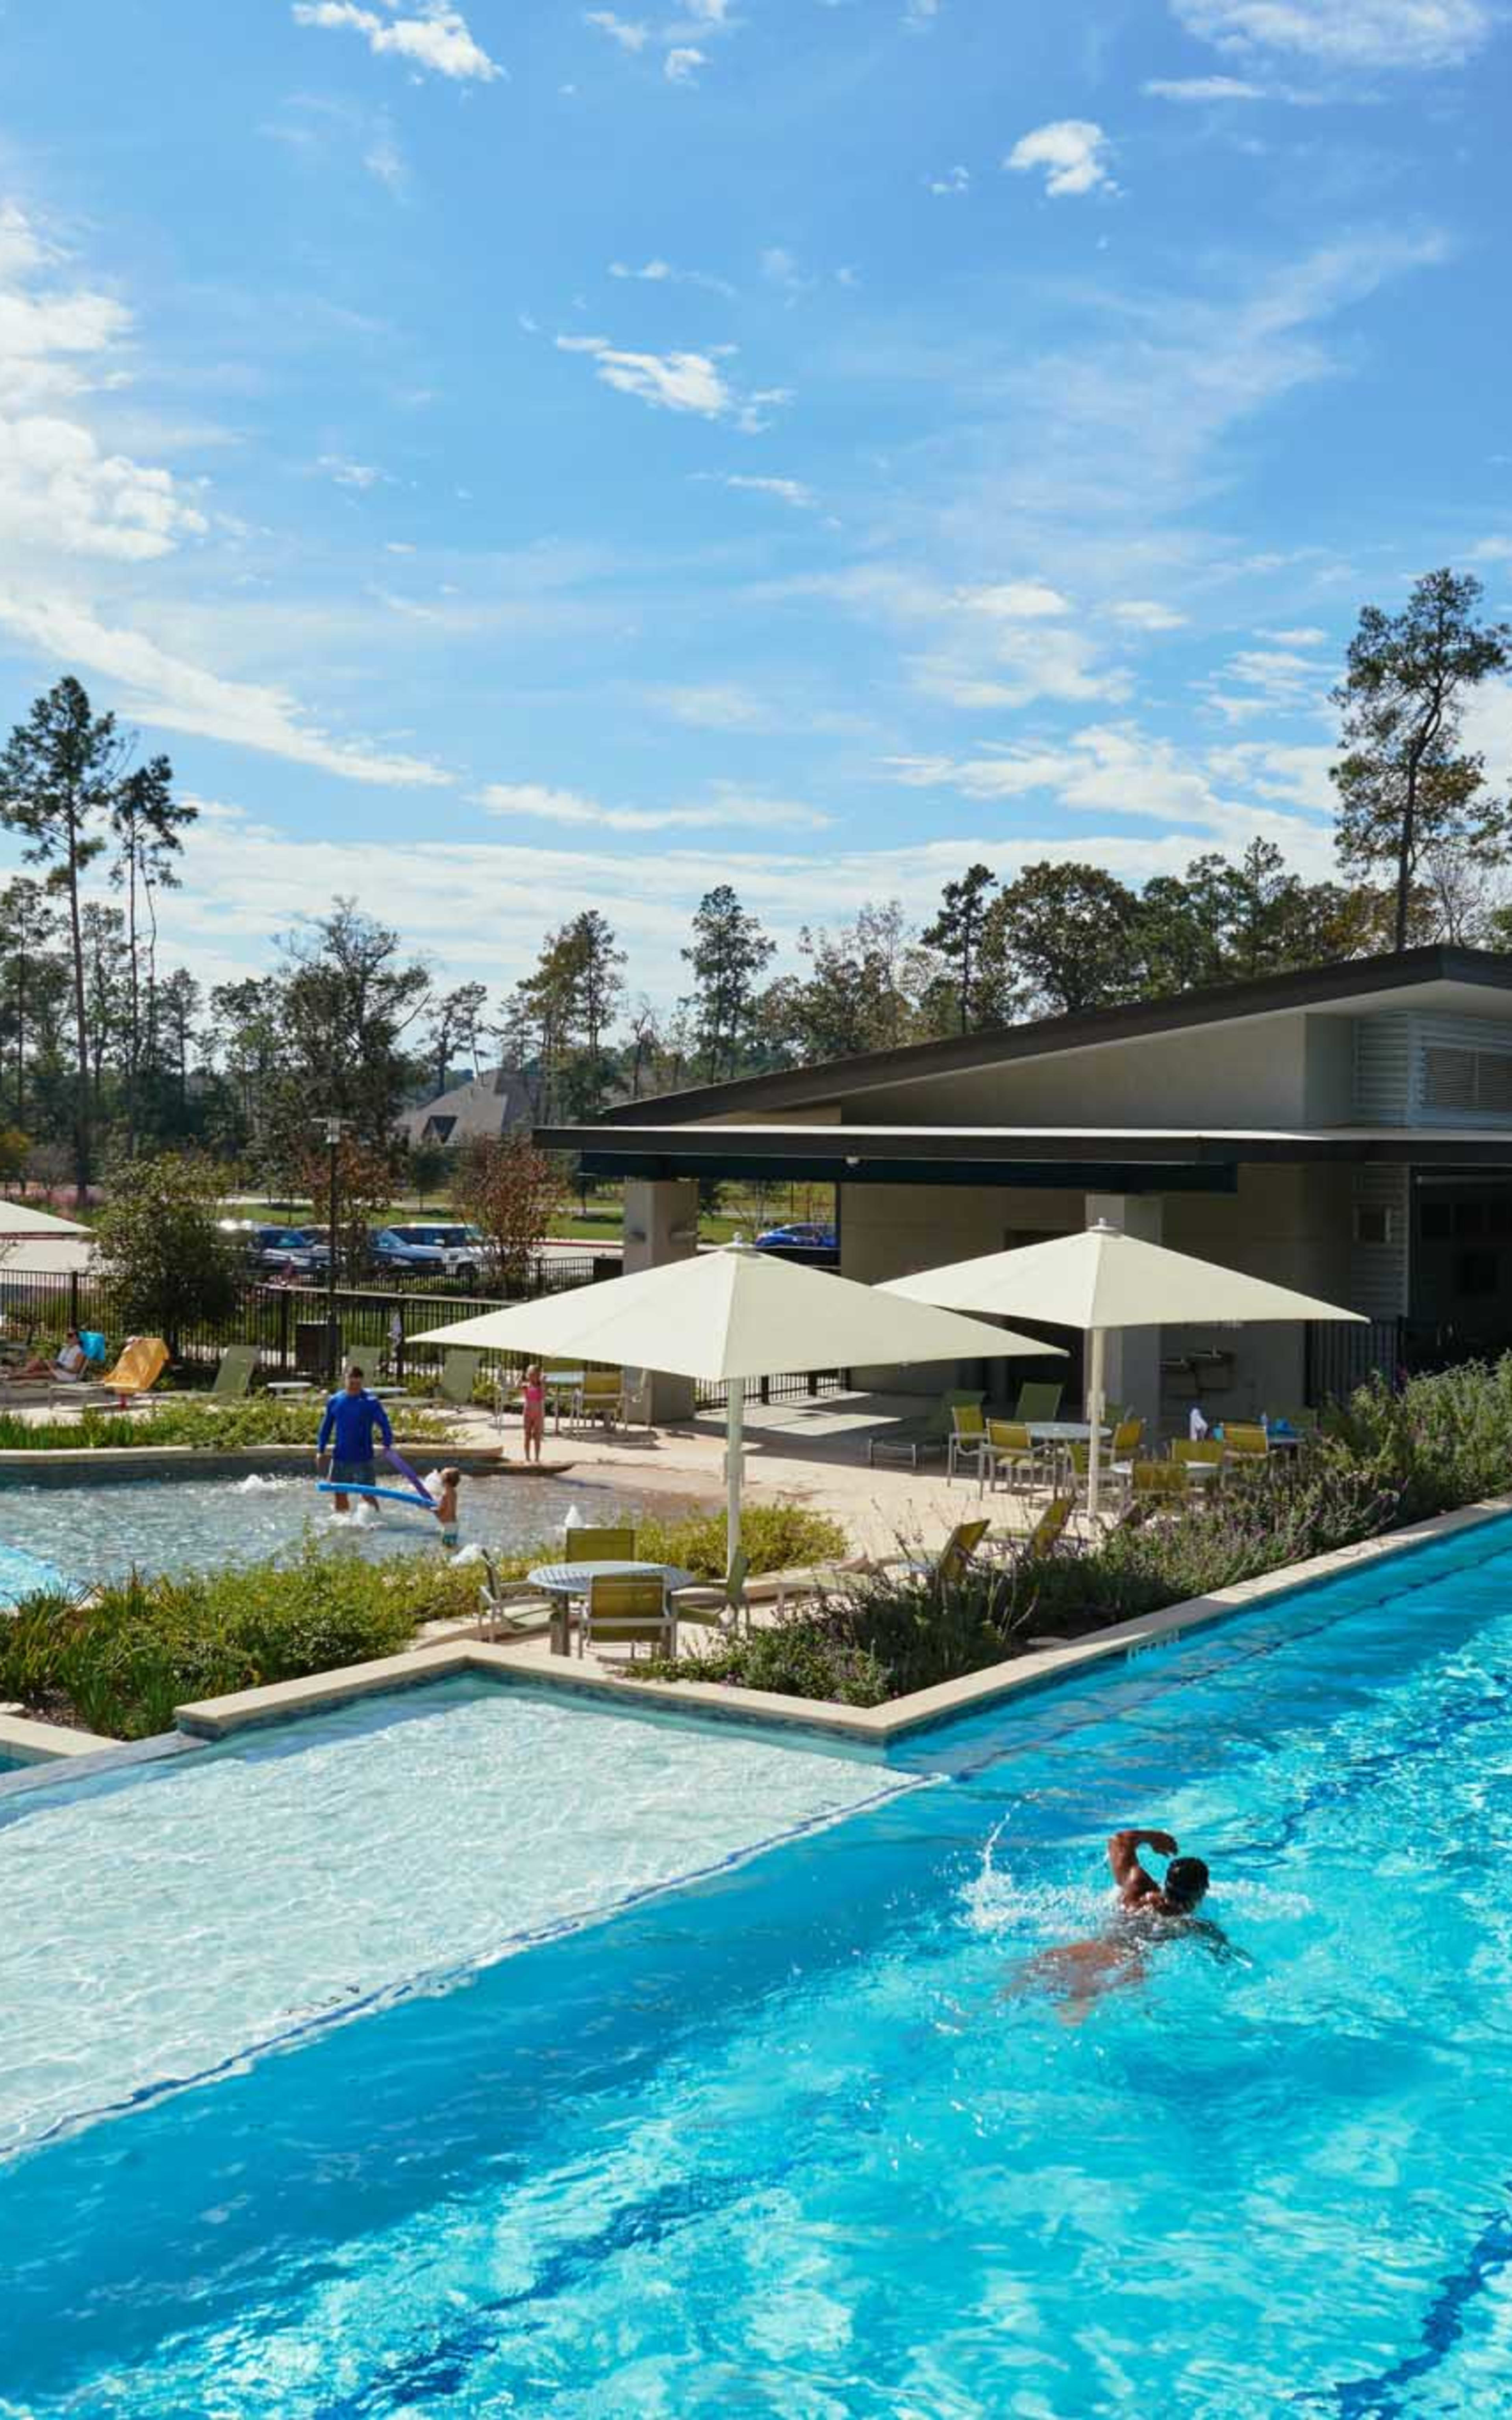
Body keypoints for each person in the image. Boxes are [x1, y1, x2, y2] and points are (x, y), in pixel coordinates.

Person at [1009, 1826, 1217, 2023]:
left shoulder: (1137, 1886)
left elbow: (1120, 1840)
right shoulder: (1190, 1925)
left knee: (1014, 1992)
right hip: (1123, 1964)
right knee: (1074, 2013)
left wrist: (1153, 1837)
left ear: (1166, 1883)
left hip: (1088, 1947)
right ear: (1202, 1891)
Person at [317, 1364, 394, 1514]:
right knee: (339, 1494)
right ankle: (343, 1524)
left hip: (364, 1457)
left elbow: (385, 1425)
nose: (354, 1387)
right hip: (341, 1456)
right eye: (351, 1383)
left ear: (362, 1383)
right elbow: (326, 1427)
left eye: (358, 1384)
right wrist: (320, 1450)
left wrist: (387, 1445)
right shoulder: (335, 1400)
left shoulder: (370, 1402)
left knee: (368, 1495)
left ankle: (376, 1522)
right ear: (345, 1380)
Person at [15, 1327, 88, 1383]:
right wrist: (52, 1363)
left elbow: (75, 1370)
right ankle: (19, 1373)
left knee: (37, 1374)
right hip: (57, 1369)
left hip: (66, 1375)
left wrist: (60, 1367)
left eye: (71, 1336)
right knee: (37, 1361)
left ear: (78, 1339)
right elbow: (59, 1361)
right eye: (68, 1336)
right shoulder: (65, 1349)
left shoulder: (80, 1352)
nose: (68, 1338)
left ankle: (15, 1376)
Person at [521, 1364, 545, 1466]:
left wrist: (543, 1382)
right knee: (527, 1436)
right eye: (530, 1375)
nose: (532, 1377)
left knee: (537, 1437)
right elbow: (517, 1388)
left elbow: (543, 1396)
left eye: (535, 1375)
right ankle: (527, 1458)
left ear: (539, 1376)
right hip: (527, 1413)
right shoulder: (526, 1386)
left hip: (538, 1414)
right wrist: (519, 1379)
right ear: (527, 1375)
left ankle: (537, 1458)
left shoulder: (541, 1387)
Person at [433, 1466, 462, 1550]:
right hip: (454, 1525)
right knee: (452, 1546)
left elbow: (440, 1510)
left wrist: (431, 1509)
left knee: (446, 1548)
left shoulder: (445, 1495)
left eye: (441, 1475)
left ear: (445, 1480)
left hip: (448, 1526)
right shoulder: (454, 1493)